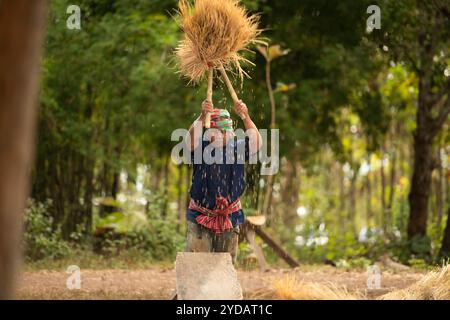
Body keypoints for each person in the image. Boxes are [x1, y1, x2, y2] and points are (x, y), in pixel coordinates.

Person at [185, 99, 262, 264]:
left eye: (224, 132)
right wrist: (201, 116)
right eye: (216, 132)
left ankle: (222, 290)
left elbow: (256, 144)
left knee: (224, 267)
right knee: (196, 266)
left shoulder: (238, 148)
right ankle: (191, 290)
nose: (220, 135)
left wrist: (245, 116)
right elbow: (188, 142)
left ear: (232, 132)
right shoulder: (201, 147)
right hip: (200, 215)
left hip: (229, 216)